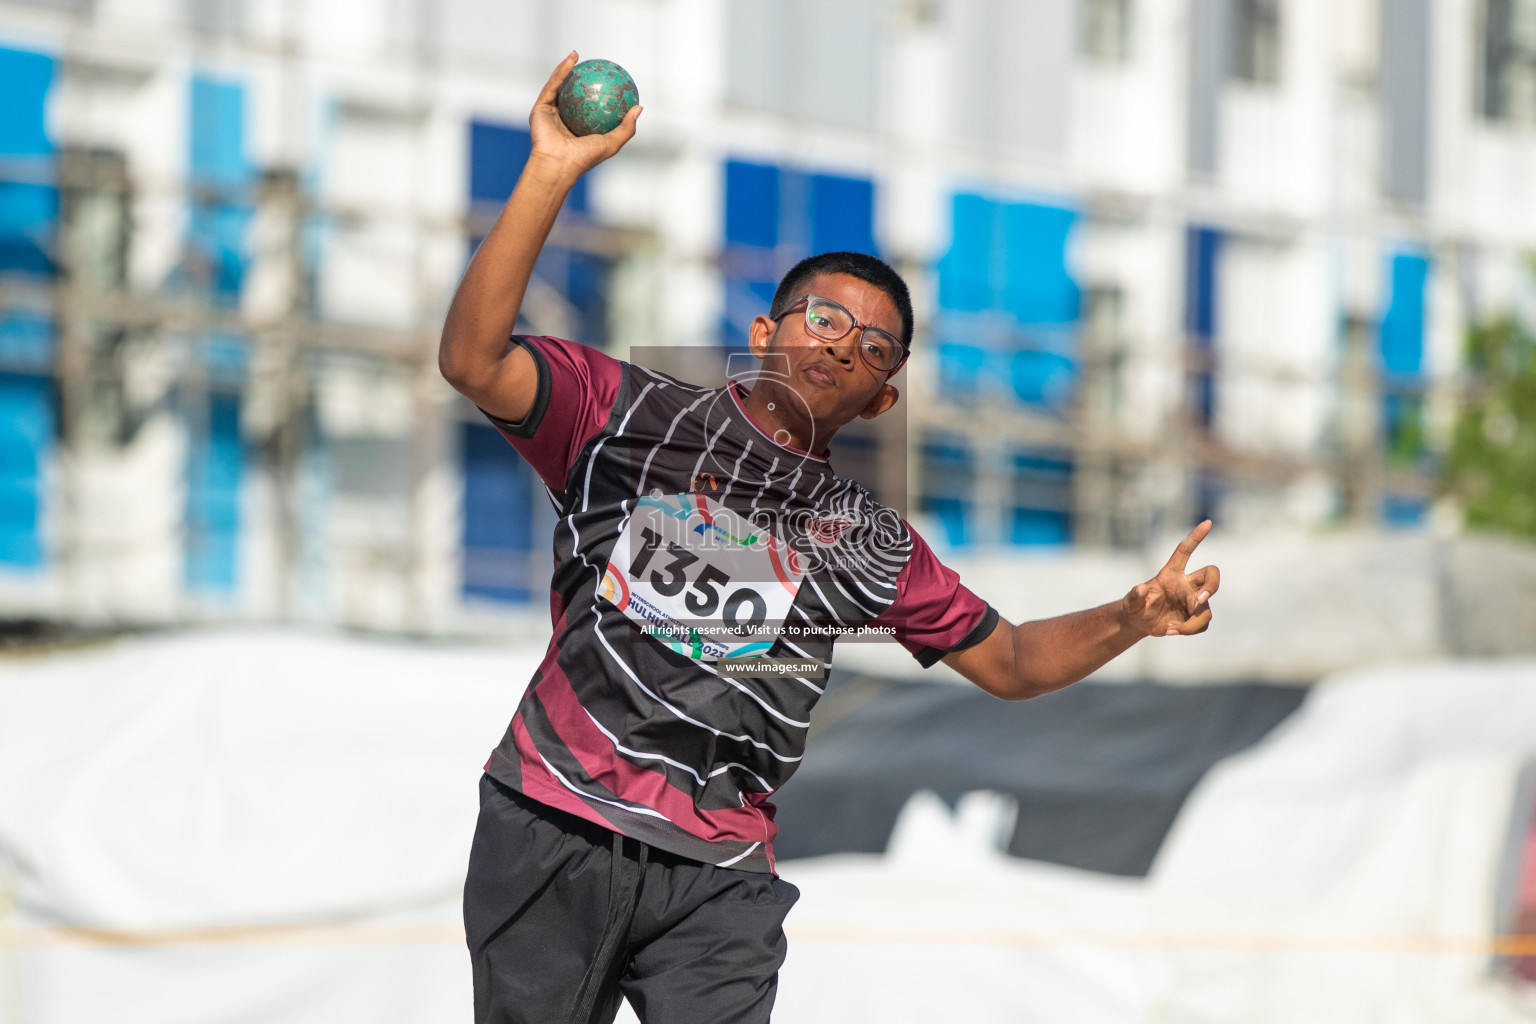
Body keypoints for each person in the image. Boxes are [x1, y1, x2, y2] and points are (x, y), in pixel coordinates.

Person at [439, 52, 1221, 1024]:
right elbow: (473, 357)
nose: (843, 343)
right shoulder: (623, 413)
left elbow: (1013, 659)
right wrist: (552, 168)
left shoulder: (868, 542)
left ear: (883, 397)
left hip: (717, 877)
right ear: (765, 332)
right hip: (555, 820)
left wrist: (1134, 614)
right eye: (823, 317)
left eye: (874, 345)